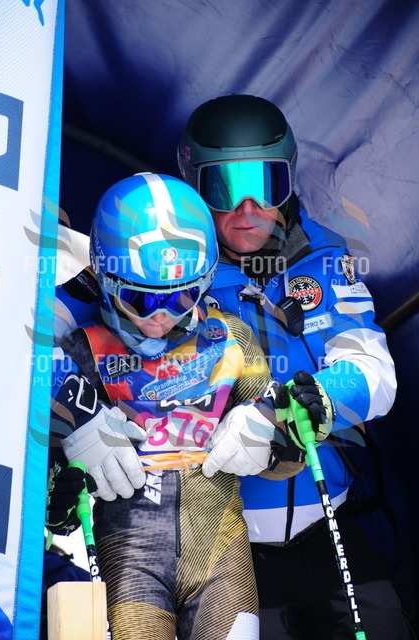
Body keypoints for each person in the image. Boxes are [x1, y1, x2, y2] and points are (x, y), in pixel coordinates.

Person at [53, 96, 415, 639]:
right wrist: (78, 414)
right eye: (224, 188)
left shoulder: (323, 256)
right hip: (226, 544)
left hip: (330, 520)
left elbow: (375, 373)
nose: (249, 210)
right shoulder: (158, 262)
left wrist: (287, 410)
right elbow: (27, 337)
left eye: (267, 184)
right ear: (193, 186)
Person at [48, 172, 277, 640]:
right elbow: (52, 483)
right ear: (102, 278)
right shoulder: (81, 348)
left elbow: (286, 445)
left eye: (182, 297)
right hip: (129, 560)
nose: (160, 317)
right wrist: (61, 489)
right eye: (139, 298)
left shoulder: (231, 337)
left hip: (221, 554)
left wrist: (275, 429)